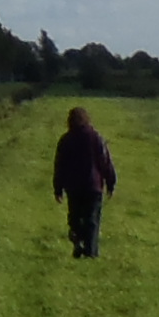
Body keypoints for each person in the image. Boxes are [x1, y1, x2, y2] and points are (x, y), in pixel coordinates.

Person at [52, 105, 115, 258]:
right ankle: (91, 252)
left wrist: (58, 188)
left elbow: (60, 165)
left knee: (75, 217)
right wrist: (111, 182)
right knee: (92, 219)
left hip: (73, 187)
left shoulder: (65, 140)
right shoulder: (96, 137)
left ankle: (77, 241)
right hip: (93, 186)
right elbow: (105, 162)